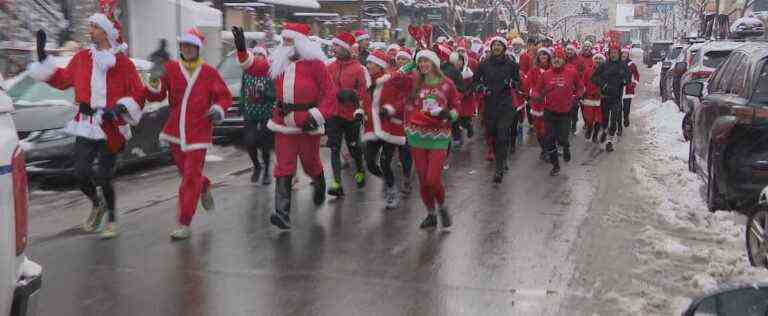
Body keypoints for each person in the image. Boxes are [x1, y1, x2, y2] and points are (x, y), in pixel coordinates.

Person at [27, 12, 145, 239]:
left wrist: (121, 108)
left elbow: (137, 93)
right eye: (89, 26)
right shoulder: (82, 58)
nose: (89, 30)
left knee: (104, 176)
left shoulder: (122, 63)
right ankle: (97, 204)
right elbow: (62, 79)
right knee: (80, 173)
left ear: (106, 33)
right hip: (85, 124)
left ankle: (111, 218)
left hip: (110, 126)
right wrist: (43, 59)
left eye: (94, 27)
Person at [240, 23, 336, 230]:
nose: (284, 45)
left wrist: (317, 115)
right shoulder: (278, 62)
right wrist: (242, 50)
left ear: (300, 42)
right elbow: (253, 66)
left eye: (288, 41)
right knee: (284, 165)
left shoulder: (315, 65)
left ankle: (319, 183)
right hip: (283, 122)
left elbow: (330, 95)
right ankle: (282, 213)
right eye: (283, 40)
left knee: (310, 163)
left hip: (307, 122)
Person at [145, 28, 232, 240]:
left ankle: (184, 222)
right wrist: (154, 79)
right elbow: (156, 96)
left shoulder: (209, 72)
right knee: (188, 175)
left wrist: (218, 108)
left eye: (191, 46)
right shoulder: (172, 69)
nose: (187, 49)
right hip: (176, 132)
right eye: (184, 46)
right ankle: (204, 185)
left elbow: (224, 96)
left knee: (189, 178)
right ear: (181, 48)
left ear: (198, 48)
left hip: (199, 132)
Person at [407, 50, 460, 229]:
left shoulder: (447, 84)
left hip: (439, 135)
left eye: (426, 61)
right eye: (420, 62)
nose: (423, 65)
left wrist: (449, 114)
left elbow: (456, 105)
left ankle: (442, 206)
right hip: (417, 135)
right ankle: (431, 214)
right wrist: (410, 62)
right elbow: (396, 79)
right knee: (423, 180)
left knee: (432, 179)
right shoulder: (415, 83)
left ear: (435, 63)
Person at [362, 50, 412, 209]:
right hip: (372, 127)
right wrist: (358, 112)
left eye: (371, 63)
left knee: (385, 162)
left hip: (390, 127)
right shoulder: (368, 81)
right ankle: (389, 181)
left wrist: (390, 109)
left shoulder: (391, 80)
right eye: (368, 63)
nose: (368, 65)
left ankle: (392, 189)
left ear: (380, 65)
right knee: (370, 163)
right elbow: (363, 100)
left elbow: (403, 99)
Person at [471, 37, 520, 183]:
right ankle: (502, 157)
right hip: (490, 104)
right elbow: (475, 82)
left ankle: (499, 169)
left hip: (505, 105)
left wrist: (512, 83)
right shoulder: (483, 64)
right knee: (492, 134)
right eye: (494, 45)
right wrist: (482, 88)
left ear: (504, 48)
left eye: (499, 45)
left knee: (502, 136)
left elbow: (518, 82)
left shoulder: (511, 65)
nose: (496, 47)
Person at [325, 31, 368, 197]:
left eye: (336, 45)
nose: (333, 48)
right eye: (333, 45)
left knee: (353, 146)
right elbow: (325, 89)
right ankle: (337, 183)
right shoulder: (329, 67)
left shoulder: (358, 69)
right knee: (334, 147)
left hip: (351, 115)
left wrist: (353, 95)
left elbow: (363, 92)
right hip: (334, 114)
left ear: (345, 48)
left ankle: (359, 169)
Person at [231, 30, 276, 185]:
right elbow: (243, 89)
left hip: (266, 113)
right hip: (250, 113)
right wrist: (241, 104)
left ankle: (267, 172)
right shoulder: (247, 73)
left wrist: (265, 93)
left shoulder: (269, 73)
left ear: (265, 57)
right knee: (249, 142)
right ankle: (257, 166)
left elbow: (274, 93)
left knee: (264, 144)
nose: (257, 58)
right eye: (255, 55)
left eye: (260, 55)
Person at [534, 47, 584, 176]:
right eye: (555, 58)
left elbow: (580, 87)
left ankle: (566, 147)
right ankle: (555, 165)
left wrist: (576, 97)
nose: (557, 60)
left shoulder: (571, 73)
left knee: (562, 138)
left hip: (565, 112)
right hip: (549, 112)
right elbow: (536, 90)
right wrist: (536, 96)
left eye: (560, 58)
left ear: (563, 60)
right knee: (549, 139)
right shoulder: (545, 74)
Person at [591, 42, 630, 152]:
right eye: (611, 53)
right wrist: (603, 84)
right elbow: (593, 77)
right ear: (609, 53)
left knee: (614, 120)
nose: (613, 55)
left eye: (615, 53)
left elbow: (628, 78)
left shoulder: (623, 65)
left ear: (619, 53)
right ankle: (604, 131)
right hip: (605, 96)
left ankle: (610, 141)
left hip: (617, 97)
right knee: (605, 119)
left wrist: (624, 81)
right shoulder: (604, 65)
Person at [524, 47, 553, 161]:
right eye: (541, 55)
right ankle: (544, 149)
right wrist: (532, 93)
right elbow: (527, 84)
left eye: (545, 55)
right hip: (537, 103)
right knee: (539, 129)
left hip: (551, 103)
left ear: (549, 57)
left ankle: (548, 150)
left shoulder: (553, 69)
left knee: (549, 128)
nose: (543, 57)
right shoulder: (533, 71)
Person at [443, 51, 473, 150]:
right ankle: (456, 139)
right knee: (455, 120)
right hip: (454, 99)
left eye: (461, 60)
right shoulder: (447, 70)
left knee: (463, 120)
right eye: (457, 60)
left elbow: (470, 85)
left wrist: (466, 93)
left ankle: (468, 128)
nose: (459, 62)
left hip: (465, 99)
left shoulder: (467, 71)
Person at [582, 53, 606, 143]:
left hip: (600, 99)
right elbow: (583, 83)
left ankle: (595, 135)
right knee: (589, 118)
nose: (598, 61)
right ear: (593, 60)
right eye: (596, 59)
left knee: (598, 119)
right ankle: (589, 128)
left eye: (600, 59)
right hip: (589, 98)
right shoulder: (588, 70)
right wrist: (582, 92)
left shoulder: (606, 72)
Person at [620, 46, 640, 135]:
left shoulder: (631, 64)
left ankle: (626, 117)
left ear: (628, 55)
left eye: (626, 54)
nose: (624, 55)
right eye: (623, 53)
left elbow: (636, 74)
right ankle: (618, 125)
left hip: (628, 88)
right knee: (617, 108)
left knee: (626, 107)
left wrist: (634, 83)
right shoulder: (617, 63)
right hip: (618, 88)